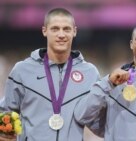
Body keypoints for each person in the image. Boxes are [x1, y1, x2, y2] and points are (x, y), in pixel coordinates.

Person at [0, 8, 104, 141]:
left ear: (74, 31)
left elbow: (97, 121)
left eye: (66, 29)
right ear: (45, 31)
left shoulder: (90, 73)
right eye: (55, 29)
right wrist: (4, 134)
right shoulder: (22, 70)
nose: (61, 34)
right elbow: (5, 111)